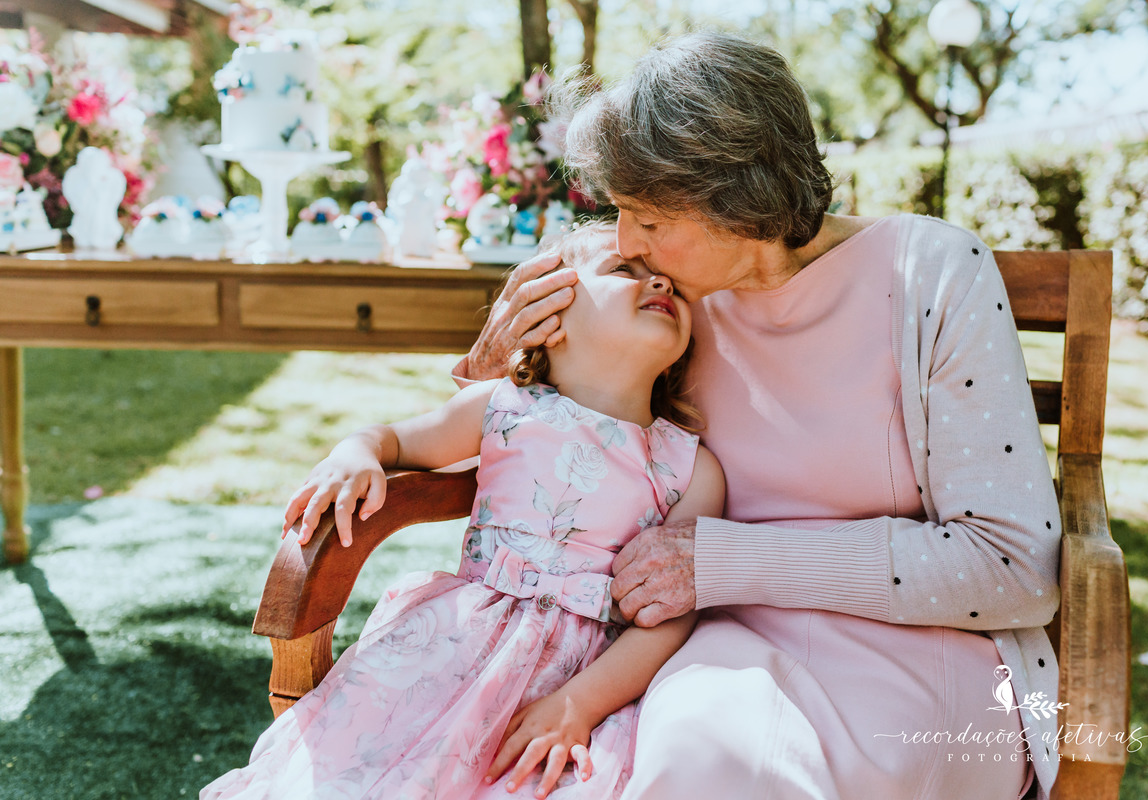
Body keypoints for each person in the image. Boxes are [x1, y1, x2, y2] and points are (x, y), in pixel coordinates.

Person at [454, 31, 1063, 800]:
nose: (623, 241)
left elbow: (1013, 569)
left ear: (734, 201)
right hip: (714, 651)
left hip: (927, 658)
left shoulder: (931, 274)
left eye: (645, 215)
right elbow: (533, 405)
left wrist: (721, 564)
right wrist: (490, 359)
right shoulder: (660, 296)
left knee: (724, 772)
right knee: (674, 765)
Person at [200, 222, 724, 800]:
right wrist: (356, 452)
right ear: (550, 316)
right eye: (624, 270)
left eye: (673, 283)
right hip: (455, 651)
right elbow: (396, 440)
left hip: (588, 678)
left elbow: (672, 611)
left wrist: (578, 705)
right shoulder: (503, 407)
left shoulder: (690, 467)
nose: (659, 283)